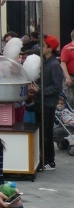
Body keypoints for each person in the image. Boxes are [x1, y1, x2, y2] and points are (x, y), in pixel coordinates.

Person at [39, 35, 64, 170]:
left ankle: (50, 161)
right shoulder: (45, 62)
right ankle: (44, 159)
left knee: (47, 133)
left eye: (43, 45)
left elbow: (56, 87)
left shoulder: (54, 65)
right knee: (43, 133)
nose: (41, 47)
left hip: (48, 104)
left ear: (50, 49)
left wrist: (40, 90)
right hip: (43, 102)